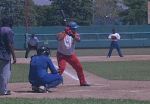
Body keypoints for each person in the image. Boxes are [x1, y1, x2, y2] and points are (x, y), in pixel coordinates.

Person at [56, 21, 90, 86]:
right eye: (74, 28)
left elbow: (78, 40)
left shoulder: (75, 34)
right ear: (70, 28)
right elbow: (58, 38)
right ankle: (52, 81)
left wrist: (72, 35)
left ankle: (82, 82)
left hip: (71, 55)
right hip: (61, 55)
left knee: (79, 67)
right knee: (61, 69)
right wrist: (65, 32)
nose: (75, 29)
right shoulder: (62, 33)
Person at [0, 17, 16, 95]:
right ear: (9, 23)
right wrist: (14, 56)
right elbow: (10, 44)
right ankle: (3, 90)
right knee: (5, 73)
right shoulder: (8, 30)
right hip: (4, 55)